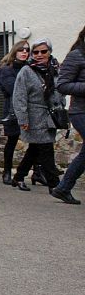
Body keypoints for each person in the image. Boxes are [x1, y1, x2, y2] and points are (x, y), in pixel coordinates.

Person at [10, 39, 62, 194]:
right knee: (46, 149)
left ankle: (18, 177)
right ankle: (56, 185)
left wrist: (60, 106)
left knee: (35, 149)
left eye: (43, 51)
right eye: (36, 52)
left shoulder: (55, 68)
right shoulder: (26, 71)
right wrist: (23, 119)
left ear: (49, 52)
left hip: (50, 116)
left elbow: (60, 89)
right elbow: (19, 96)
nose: (39, 55)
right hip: (34, 116)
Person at [51, 25, 85, 204]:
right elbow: (62, 85)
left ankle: (63, 188)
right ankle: (63, 188)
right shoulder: (76, 55)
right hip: (80, 111)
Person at [0, 41, 31, 184]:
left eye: (27, 50)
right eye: (21, 50)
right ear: (15, 51)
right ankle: (7, 171)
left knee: (37, 143)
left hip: (31, 109)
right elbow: (13, 90)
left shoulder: (30, 68)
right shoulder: (7, 69)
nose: (24, 52)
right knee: (12, 140)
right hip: (12, 110)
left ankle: (37, 172)